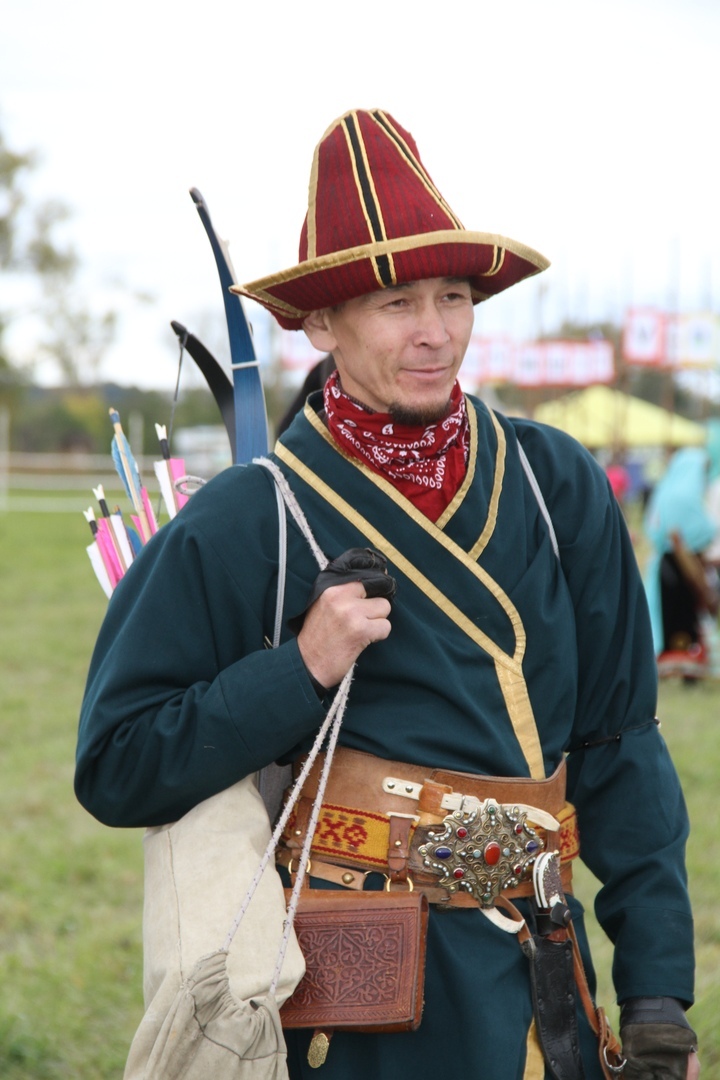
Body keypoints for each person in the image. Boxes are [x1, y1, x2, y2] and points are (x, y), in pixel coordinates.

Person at [75, 109, 699, 1079]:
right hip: (356, 1008)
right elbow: (116, 762)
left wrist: (658, 992)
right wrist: (301, 670)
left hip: (542, 987)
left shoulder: (553, 479)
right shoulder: (251, 516)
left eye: (454, 297)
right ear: (321, 323)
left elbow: (619, 740)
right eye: (396, 302)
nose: (435, 333)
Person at [643, 445, 719, 679]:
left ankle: (673, 661)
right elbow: (702, 531)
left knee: (670, 619)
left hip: (665, 564)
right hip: (681, 566)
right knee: (681, 617)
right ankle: (684, 665)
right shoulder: (684, 497)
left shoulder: (666, 491)